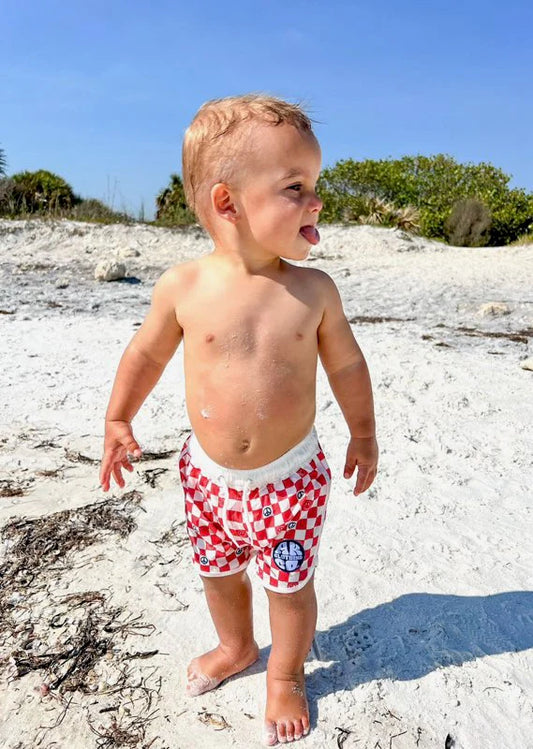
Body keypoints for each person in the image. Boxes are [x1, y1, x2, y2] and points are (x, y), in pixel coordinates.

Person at [99, 93, 378, 746]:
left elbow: (346, 366)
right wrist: (118, 417)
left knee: (288, 584)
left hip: (289, 481)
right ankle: (235, 646)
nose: (315, 202)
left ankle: (284, 673)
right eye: (295, 187)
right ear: (228, 203)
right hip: (208, 479)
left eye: (314, 185)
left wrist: (362, 432)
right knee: (218, 574)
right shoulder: (183, 286)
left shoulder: (311, 291)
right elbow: (144, 352)